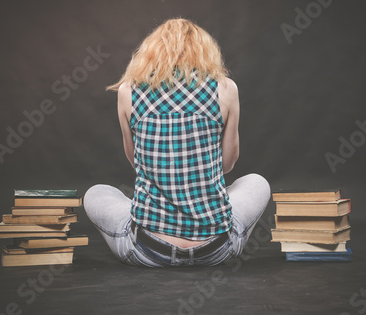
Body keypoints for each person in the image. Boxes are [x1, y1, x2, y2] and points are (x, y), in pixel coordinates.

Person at [84, 18, 271, 267]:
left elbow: (136, 161)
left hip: (148, 250)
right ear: (205, 51)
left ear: (150, 52)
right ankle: (201, 215)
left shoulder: (128, 91)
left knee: (96, 193)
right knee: (256, 182)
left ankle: (154, 213)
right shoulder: (226, 89)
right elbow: (226, 165)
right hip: (215, 250)